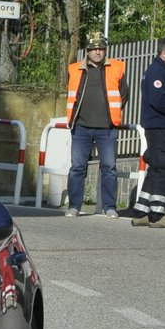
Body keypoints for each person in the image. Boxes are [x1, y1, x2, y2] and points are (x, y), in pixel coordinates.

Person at [64, 30, 128, 217]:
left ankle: (110, 207)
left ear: (106, 50)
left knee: (109, 168)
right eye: (94, 49)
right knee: (77, 167)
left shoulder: (117, 67)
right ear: (87, 50)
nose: (98, 52)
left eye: (101, 48)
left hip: (107, 128)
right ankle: (74, 206)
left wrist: (111, 114)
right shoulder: (74, 69)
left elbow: (124, 94)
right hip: (81, 127)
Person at [130, 37, 165, 229]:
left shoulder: (163, 72)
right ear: (164, 53)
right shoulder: (157, 74)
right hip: (163, 128)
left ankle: (141, 211)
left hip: (161, 127)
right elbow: (161, 102)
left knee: (155, 169)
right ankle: (157, 214)